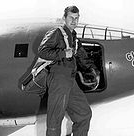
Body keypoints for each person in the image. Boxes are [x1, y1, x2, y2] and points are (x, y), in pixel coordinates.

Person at [38, 6, 99, 136]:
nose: (74, 21)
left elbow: (82, 57)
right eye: (71, 18)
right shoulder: (57, 32)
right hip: (58, 78)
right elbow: (42, 51)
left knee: (84, 114)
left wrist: (93, 70)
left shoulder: (74, 37)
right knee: (55, 121)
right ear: (64, 18)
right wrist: (63, 54)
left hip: (70, 81)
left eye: (76, 18)